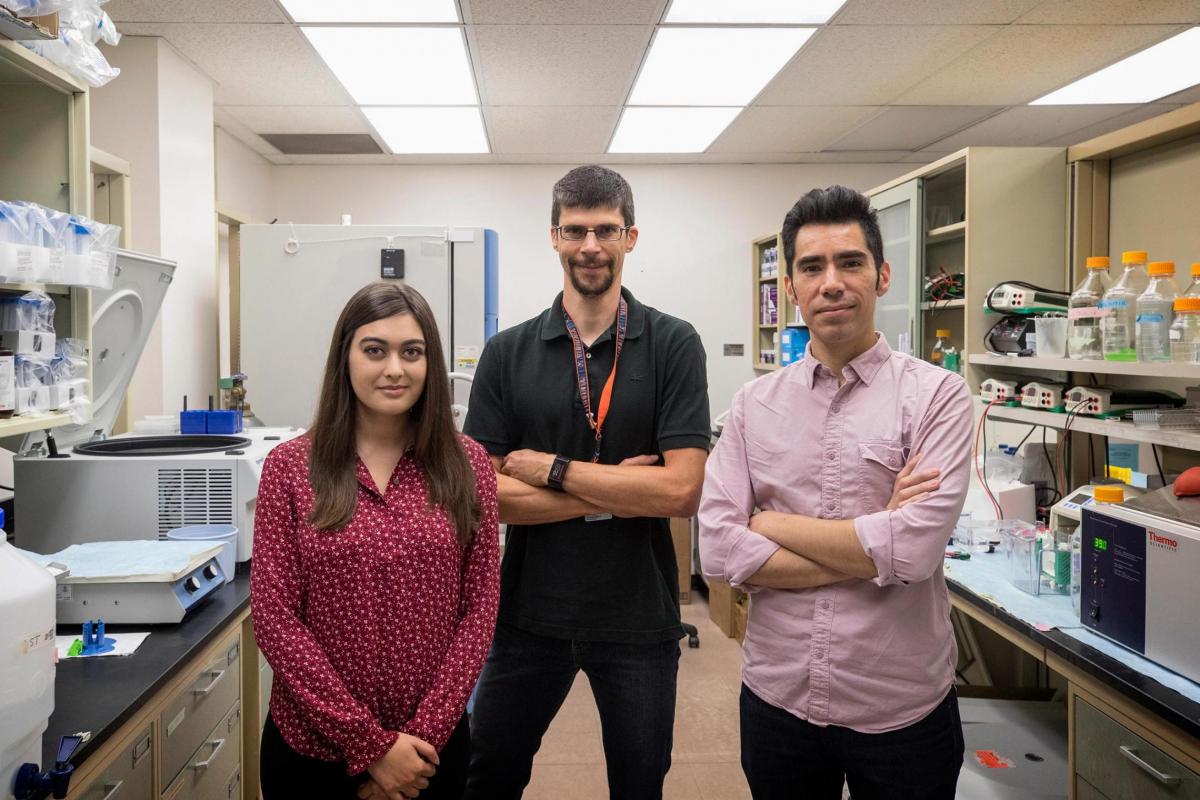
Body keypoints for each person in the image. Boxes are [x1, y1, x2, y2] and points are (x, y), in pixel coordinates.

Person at [699, 185, 972, 800]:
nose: (832, 282)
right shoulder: (753, 404)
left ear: (882, 275)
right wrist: (874, 538)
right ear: (789, 287)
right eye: (811, 267)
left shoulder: (938, 397)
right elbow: (716, 551)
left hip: (900, 708)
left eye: (850, 262)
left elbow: (915, 553)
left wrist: (768, 525)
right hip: (779, 699)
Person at [462, 165, 711, 800]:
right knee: (486, 773)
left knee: (639, 784)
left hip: (639, 618)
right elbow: (486, 497)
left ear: (631, 237)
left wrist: (554, 470)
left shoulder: (674, 344)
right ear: (553, 237)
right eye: (576, 231)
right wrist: (616, 493)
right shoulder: (508, 352)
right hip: (527, 614)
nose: (591, 246)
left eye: (606, 230)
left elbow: (682, 492)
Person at [252, 281, 500, 800]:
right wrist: (371, 747)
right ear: (345, 358)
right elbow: (275, 620)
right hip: (313, 755)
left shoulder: (467, 464)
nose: (395, 369)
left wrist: (419, 745)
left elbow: (479, 608)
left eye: (412, 352)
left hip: (430, 756)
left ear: (429, 363)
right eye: (374, 350)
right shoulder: (291, 468)